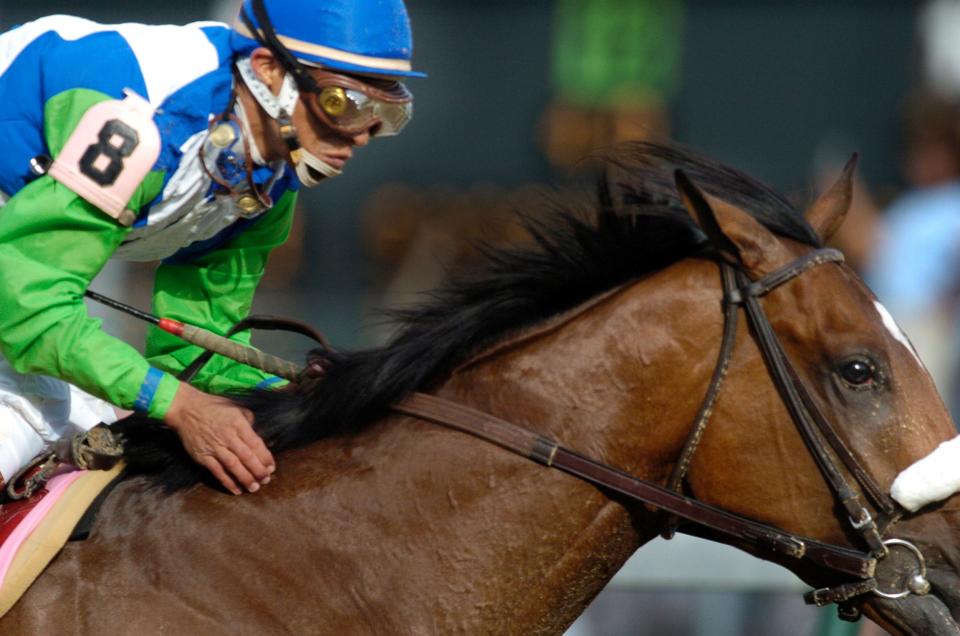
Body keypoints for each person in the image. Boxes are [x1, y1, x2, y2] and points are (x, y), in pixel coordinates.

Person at [0, 0, 423, 496]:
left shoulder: (269, 181)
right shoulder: (144, 126)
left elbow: (195, 352)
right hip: (19, 292)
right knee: (32, 424)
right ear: (268, 72)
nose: (360, 135)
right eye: (343, 104)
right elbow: (29, 308)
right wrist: (182, 408)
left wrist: (310, 396)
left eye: (386, 115)